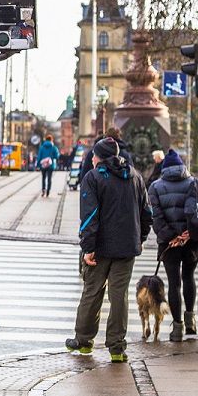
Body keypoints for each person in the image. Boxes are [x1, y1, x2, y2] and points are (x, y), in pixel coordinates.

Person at [66, 137, 152, 363]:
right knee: (119, 296)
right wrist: (140, 238)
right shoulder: (135, 176)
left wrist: (88, 247)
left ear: (100, 157)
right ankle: (116, 348)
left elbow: (89, 216)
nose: (92, 158)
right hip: (127, 247)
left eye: (94, 155)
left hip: (100, 247)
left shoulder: (93, 178)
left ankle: (84, 341)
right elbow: (147, 213)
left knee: (92, 292)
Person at [148, 148, 198, 341]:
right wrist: (192, 233)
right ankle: (191, 319)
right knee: (189, 277)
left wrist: (171, 237)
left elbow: (155, 217)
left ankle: (177, 328)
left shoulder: (155, 187)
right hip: (192, 242)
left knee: (174, 283)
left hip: (169, 244)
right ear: (182, 166)